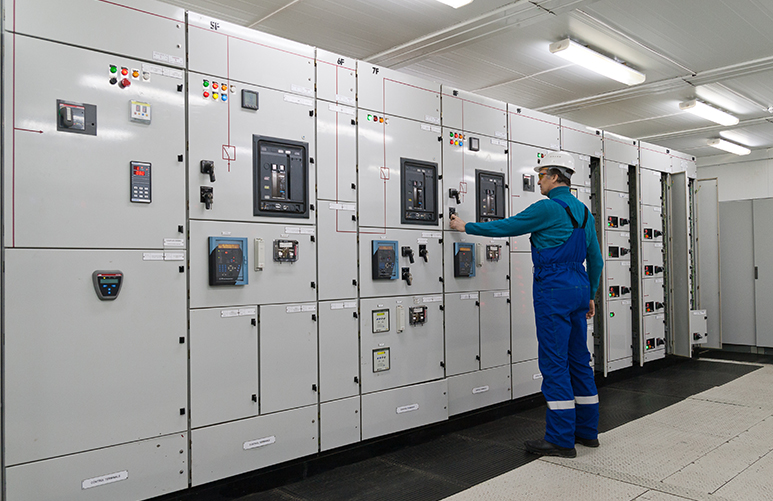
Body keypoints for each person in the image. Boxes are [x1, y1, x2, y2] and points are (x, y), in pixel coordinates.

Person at [449, 151, 603, 458]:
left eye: (542, 175)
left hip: (554, 289)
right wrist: (591, 295)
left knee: (554, 362)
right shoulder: (584, 212)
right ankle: (587, 432)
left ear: (556, 176)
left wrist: (466, 227)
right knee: (579, 360)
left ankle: (560, 439)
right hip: (578, 287)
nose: (538, 180)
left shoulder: (547, 208)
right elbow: (596, 259)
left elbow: (508, 226)